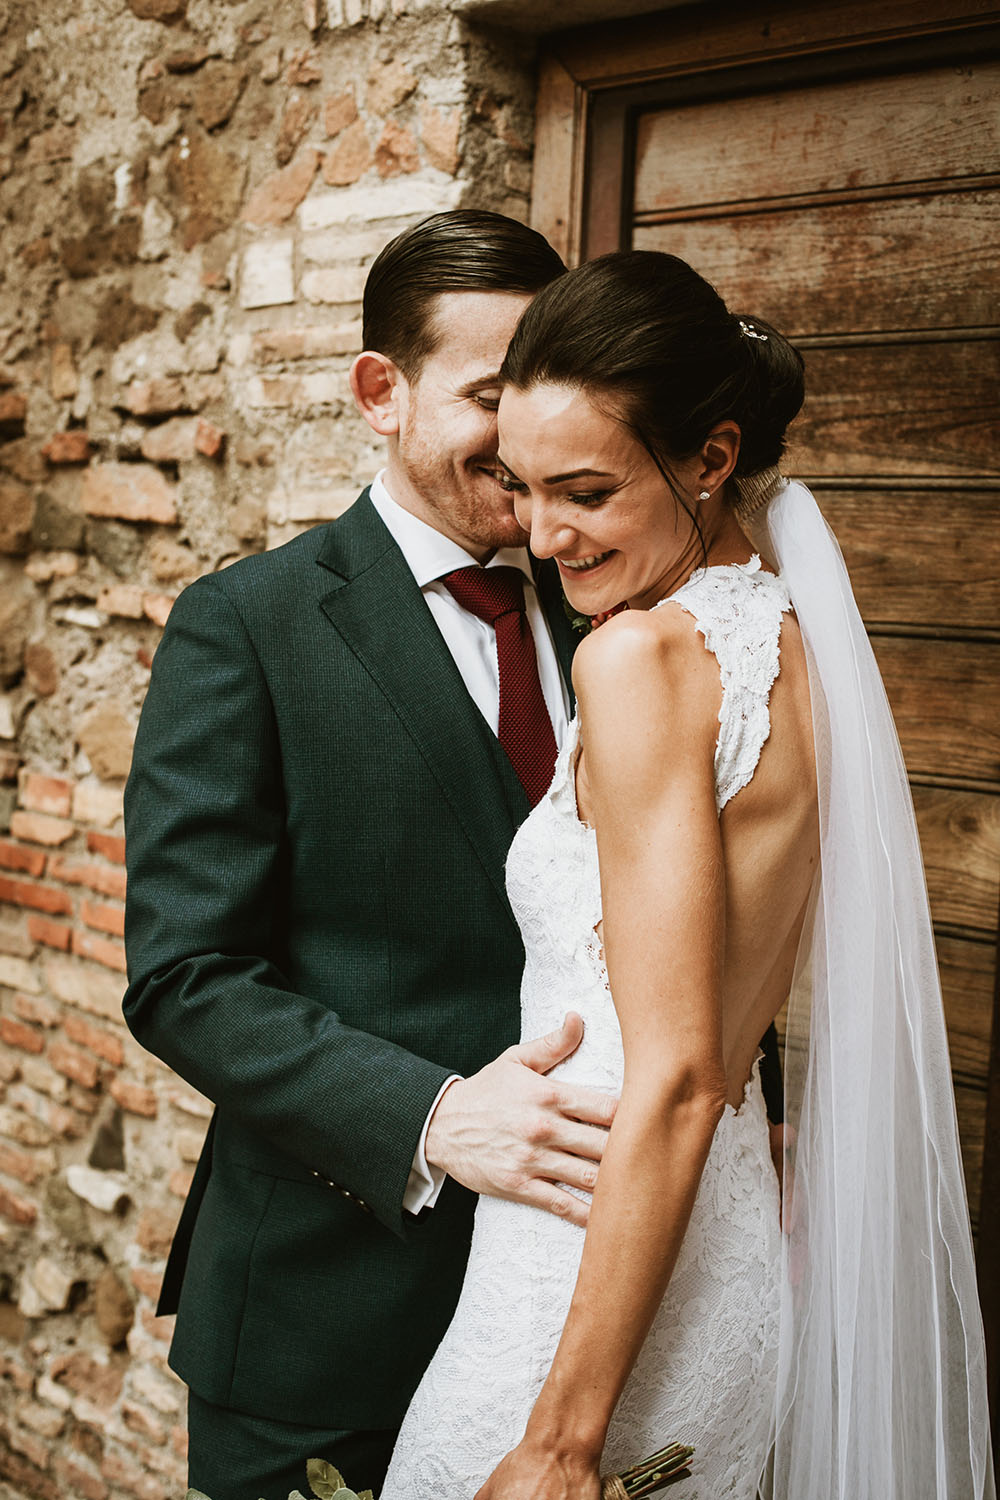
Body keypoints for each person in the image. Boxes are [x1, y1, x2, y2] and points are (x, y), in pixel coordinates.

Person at [380, 252, 994, 1500]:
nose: (544, 537)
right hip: (717, 1257)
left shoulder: (640, 660)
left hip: (585, 1281)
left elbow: (673, 1074)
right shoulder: (797, 644)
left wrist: (560, 1442)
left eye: (589, 492)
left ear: (710, 460)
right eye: (521, 485)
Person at [121, 210, 613, 1500]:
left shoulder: (614, 607)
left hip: (579, 1317)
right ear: (379, 393)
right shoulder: (247, 628)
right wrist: (437, 1117)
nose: (523, 447)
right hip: (321, 1328)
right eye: (492, 398)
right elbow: (184, 978)